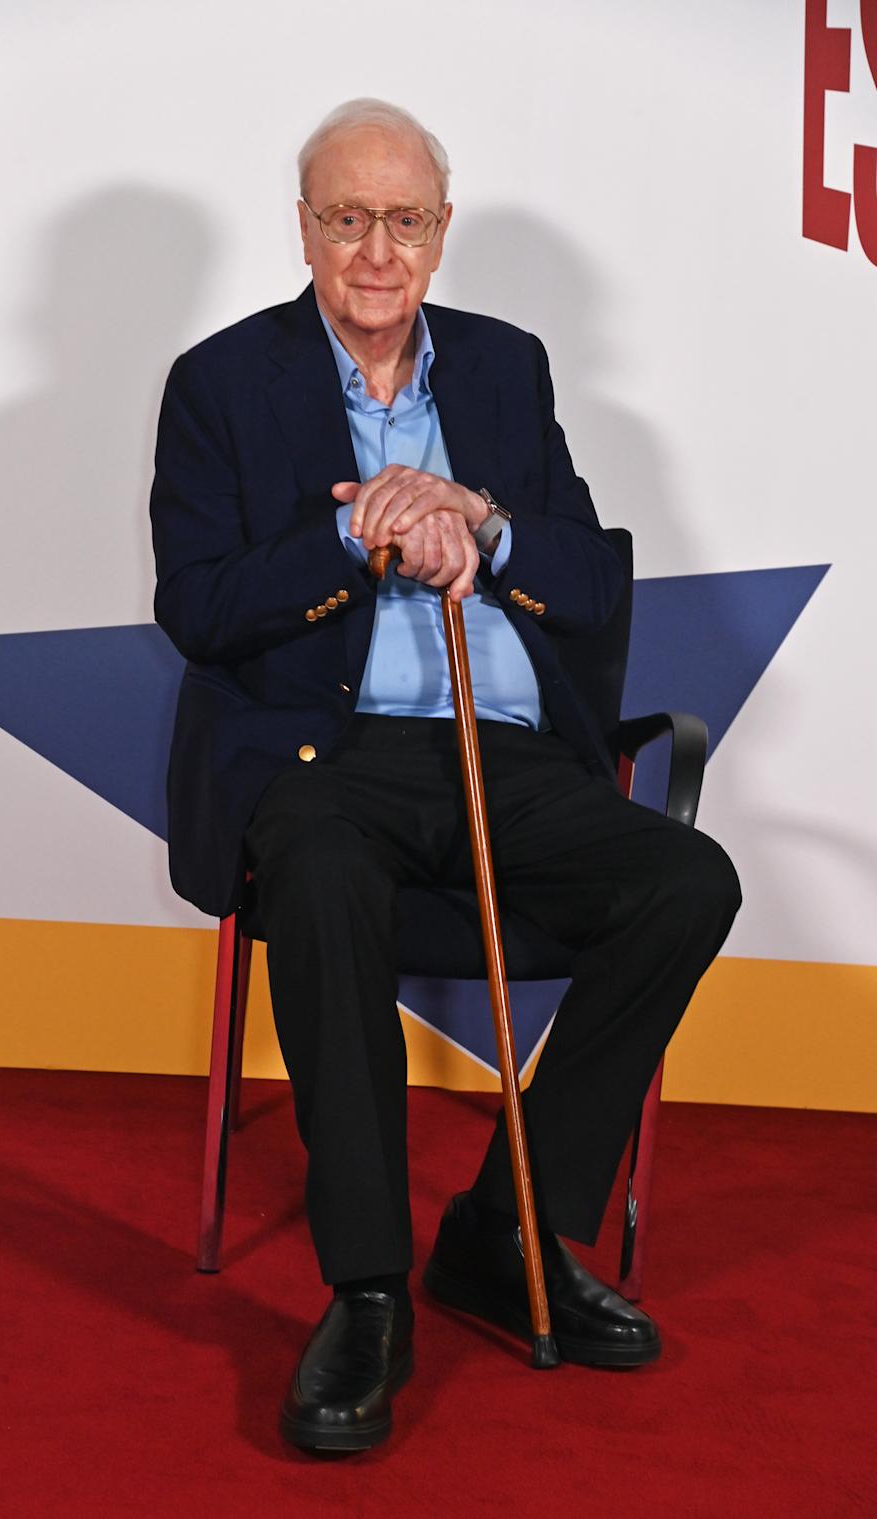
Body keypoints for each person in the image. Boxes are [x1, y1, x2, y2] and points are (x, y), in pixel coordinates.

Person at [150, 98, 741, 1453]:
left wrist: (485, 519)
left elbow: (592, 584)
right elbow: (200, 608)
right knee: (315, 862)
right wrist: (353, 531)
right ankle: (367, 1289)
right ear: (304, 229)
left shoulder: (503, 369)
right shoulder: (220, 384)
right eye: (346, 217)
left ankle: (508, 1233)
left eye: (401, 219)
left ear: (440, 232)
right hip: (326, 758)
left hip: (506, 752)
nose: (374, 249)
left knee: (685, 882)